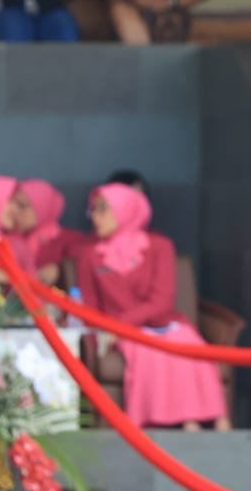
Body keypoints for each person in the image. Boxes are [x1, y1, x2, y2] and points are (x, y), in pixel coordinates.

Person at [77, 182, 230, 431]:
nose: (95, 216)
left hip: (163, 322)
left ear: (125, 209)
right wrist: (104, 335)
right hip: (124, 333)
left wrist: (120, 323)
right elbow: (90, 307)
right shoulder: (90, 255)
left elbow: (161, 301)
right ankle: (183, 425)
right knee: (149, 351)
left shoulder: (160, 246)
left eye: (103, 208)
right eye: (93, 209)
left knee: (188, 344)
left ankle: (219, 425)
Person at [9, 179, 90, 287]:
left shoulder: (72, 241)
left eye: (22, 206)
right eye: (12, 205)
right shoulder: (5, 241)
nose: (15, 212)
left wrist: (60, 270)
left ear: (42, 207)